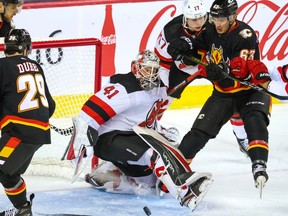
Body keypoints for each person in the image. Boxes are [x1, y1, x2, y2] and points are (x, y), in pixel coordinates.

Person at [65, 50, 213, 211]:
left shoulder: (159, 88)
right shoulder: (124, 87)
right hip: (108, 139)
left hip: (129, 137)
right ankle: (184, 192)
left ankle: (109, 173)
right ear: (135, 68)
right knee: (153, 154)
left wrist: (160, 131)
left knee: (148, 184)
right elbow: (88, 112)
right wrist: (80, 144)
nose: (150, 74)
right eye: (146, 69)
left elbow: (145, 119)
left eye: (153, 70)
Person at [168, 0, 271, 190]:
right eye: (215, 18)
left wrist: (220, 73)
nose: (218, 23)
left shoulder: (244, 36)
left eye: (222, 19)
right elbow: (197, 46)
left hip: (249, 92)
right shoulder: (211, 28)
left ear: (233, 17)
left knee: (255, 121)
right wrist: (182, 47)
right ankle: (171, 177)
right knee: (196, 135)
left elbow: (240, 74)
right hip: (223, 94)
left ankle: (259, 166)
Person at [154, 0, 250, 157]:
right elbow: (163, 63)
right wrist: (164, 88)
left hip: (212, 66)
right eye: (193, 19)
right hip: (182, 69)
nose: (198, 23)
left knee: (232, 94)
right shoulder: (170, 31)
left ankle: (242, 137)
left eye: (201, 17)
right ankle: (152, 125)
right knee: (162, 96)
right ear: (185, 18)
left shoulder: (216, 23)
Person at [0, 29, 55, 215]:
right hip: (38, 133)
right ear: (25, 48)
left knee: (5, 172)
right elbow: (51, 105)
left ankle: (23, 208)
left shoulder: (2, 66)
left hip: (18, 133)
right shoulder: (35, 66)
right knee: (8, 174)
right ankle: (23, 210)